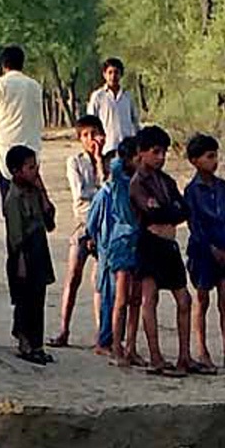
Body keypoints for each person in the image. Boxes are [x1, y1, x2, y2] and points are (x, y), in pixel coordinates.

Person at [126, 125, 196, 376]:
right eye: (156, 152)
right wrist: (168, 213)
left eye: (163, 152)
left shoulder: (166, 181)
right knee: (149, 299)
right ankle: (155, 356)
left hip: (168, 244)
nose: (161, 157)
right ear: (142, 153)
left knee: (184, 299)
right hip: (149, 244)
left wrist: (166, 215)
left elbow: (183, 210)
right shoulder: (137, 183)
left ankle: (184, 356)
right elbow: (152, 211)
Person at [182, 133, 225, 371]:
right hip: (203, 252)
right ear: (195, 161)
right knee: (202, 300)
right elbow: (194, 224)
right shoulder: (192, 191)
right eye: (209, 156)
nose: (215, 160)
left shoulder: (222, 187)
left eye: (215, 155)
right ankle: (203, 351)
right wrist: (211, 248)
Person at [52, 113, 108, 349]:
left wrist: (98, 162)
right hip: (83, 224)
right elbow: (81, 195)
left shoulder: (109, 161)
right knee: (73, 276)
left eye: (94, 134)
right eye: (85, 135)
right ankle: (64, 329)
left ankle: (101, 333)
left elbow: (108, 189)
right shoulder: (74, 162)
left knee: (99, 281)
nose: (90, 139)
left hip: (104, 227)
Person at [0, 44, 48, 215]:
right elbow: (39, 120)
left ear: (3, 65)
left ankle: (15, 239)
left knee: (10, 204)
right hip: (31, 151)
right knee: (32, 203)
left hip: (7, 153)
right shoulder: (34, 86)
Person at [91, 139, 145, 366]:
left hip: (138, 241)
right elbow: (113, 167)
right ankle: (114, 346)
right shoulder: (118, 183)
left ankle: (129, 346)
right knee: (119, 298)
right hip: (121, 242)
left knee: (135, 300)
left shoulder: (141, 181)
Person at [2, 144, 57, 364]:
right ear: (17, 171)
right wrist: (21, 261)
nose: (35, 171)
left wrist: (42, 191)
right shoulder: (13, 198)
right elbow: (16, 236)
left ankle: (37, 344)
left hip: (39, 249)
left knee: (38, 299)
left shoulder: (33, 191)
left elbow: (50, 222)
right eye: (30, 167)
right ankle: (25, 342)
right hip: (23, 254)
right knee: (25, 301)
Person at [85, 60, 137, 153]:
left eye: (116, 72)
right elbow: (90, 122)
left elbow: (135, 121)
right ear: (104, 74)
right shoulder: (98, 96)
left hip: (127, 148)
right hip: (106, 147)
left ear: (121, 75)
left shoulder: (128, 97)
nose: (113, 76)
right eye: (110, 72)